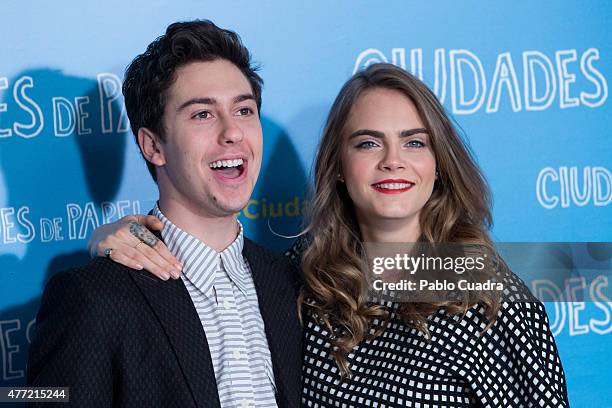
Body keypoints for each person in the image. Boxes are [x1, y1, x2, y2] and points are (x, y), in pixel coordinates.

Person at [89, 64, 569, 407]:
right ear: (339, 167)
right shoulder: (308, 276)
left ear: (438, 163)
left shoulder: (488, 294)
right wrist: (110, 238)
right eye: (368, 143)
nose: (392, 161)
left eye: (414, 141)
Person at [27, 20, 302, 408]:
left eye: (244, 110)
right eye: (202, 115)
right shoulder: (93, 298)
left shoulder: (291, 284)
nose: (232, 132)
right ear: (153, 146)